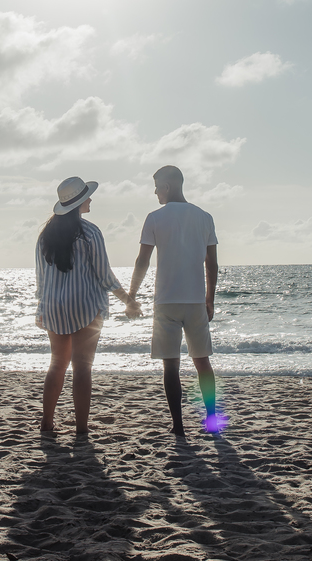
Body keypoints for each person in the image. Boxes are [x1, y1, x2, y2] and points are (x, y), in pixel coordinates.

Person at [35, 176, 141, 437]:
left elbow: (40, 278)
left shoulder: (45, 236)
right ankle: (81, 429)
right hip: (85, 307)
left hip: (54, 307)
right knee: (82, 367)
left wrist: (41, 307)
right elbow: (104, 276)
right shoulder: (90, 232)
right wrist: (129, 301)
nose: (91, 199)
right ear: (78, 203)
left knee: (57, 365)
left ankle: (47, 423)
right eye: (86, 197)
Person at [127, 165, 225, 436]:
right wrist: (210, 300)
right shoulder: (204, 217)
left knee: (171, 365)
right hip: (195, 300)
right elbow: (212, 265)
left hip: (167, 301)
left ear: (168, 187)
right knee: (202, 361)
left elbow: (142, 261)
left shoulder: (155, 218)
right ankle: (212, 420)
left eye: (157, 185)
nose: (155, 191)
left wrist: (132, 295)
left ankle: (178, 426)